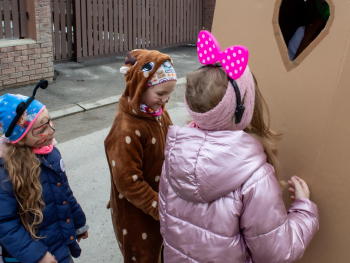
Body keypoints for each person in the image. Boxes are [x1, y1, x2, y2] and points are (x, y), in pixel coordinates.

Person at [159, 30, 319, 262]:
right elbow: (276, 253)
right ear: (243, 109)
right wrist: (304, 210)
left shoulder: (173, 158)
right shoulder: (255, 178)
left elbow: (167, 225)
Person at [0, 80, 88, 263]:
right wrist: (38, 256)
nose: (52, 130)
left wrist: (79, 223)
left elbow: (65, 193)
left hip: (60, 247)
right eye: (42, 129)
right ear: (21, 138)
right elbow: (5, 224)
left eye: (50, 122)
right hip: (29, 257)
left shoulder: (51, 154)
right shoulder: (6, 172)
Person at [104, 49, 177, 263]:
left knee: (162, 252)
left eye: (169, 94)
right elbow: (128, 182)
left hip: (161, 206)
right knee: (143, 255)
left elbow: (173, 141)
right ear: (139, 88)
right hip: (137, 213)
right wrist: (160, 208)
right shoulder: (126, 128)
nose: (165, 100)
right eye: (160, 94)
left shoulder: (159, 114)